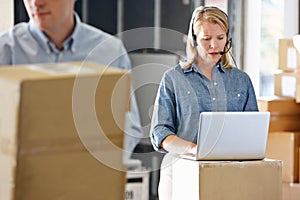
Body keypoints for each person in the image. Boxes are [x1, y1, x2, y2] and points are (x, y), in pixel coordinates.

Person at [0, 0, 143, 164]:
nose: (35, 3)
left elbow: (129, 125)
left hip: (88, 177)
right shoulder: (5, 50)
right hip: (23, 177)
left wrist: (100, 165)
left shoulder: (109, 50)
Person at [150, 6, 258, 200]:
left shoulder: (242, 81)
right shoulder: (173, 78)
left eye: (220, 38)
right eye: (206, 39)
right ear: (193, 40)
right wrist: (194, 149)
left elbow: (253, 133)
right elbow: (160, 133)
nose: (214, 46)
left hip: (231, 172)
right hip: (183, 167)